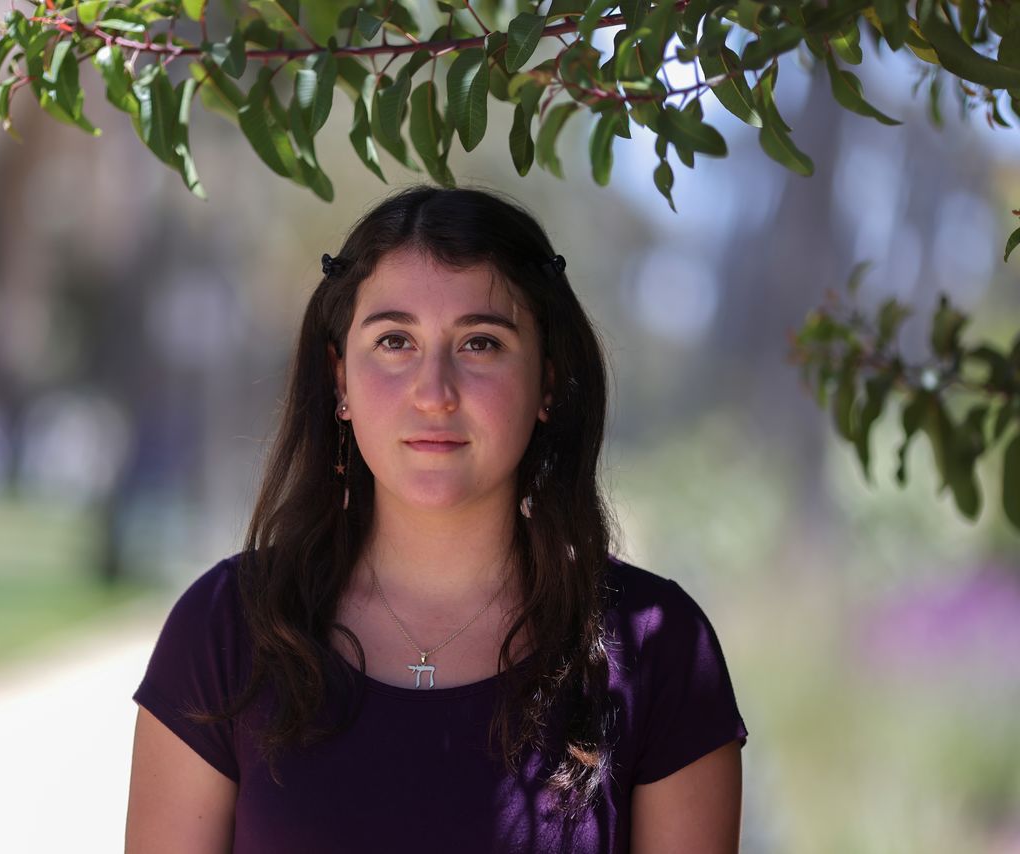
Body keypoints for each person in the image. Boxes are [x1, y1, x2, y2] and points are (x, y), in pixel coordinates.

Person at [125, 186, 748, 853]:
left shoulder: (660, 649)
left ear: (547, 381)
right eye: (395, 341)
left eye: (480, 343)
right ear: (339, 380)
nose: (433, 392)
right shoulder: (226, 631)